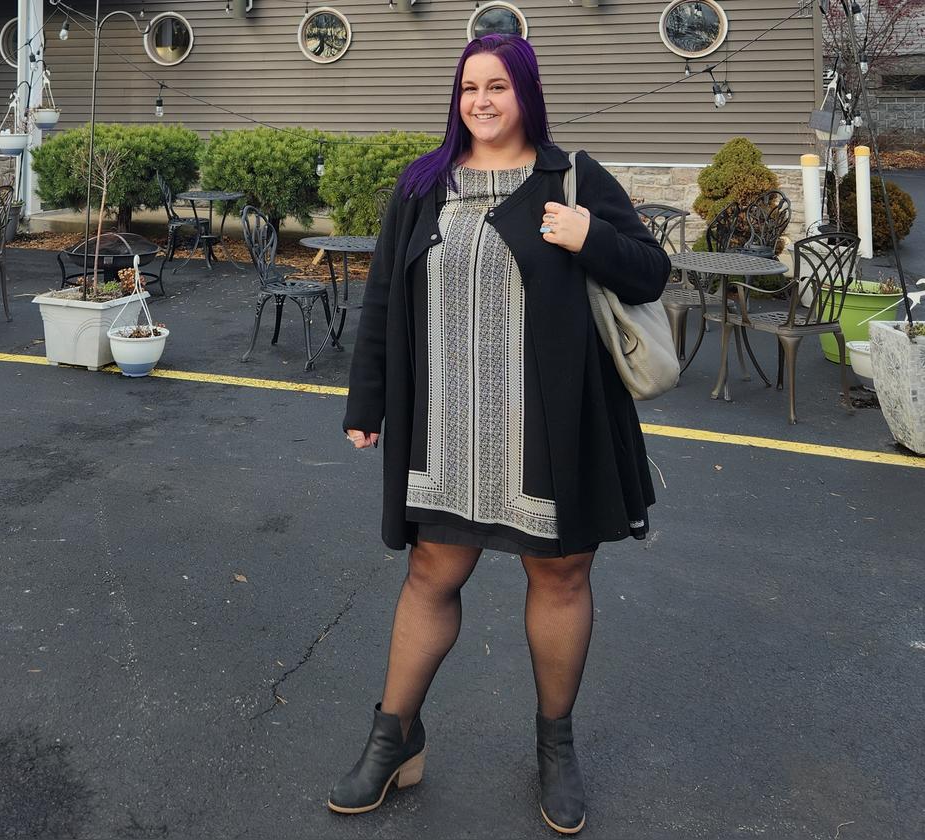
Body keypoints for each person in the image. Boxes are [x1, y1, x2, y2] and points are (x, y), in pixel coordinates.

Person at [328, 34, 671, 835]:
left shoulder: (570, 177)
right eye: (468, 87)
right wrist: (365, 403)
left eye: (497, 87)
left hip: (547, 426)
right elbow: (382, 296)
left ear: (525, 93)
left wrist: (588, 236)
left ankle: (555, 749)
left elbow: (649, 273)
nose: (480, 101)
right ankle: (393, 739)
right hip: (444, 426)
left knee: (558, 577)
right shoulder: (423, 185)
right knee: (430, 572)